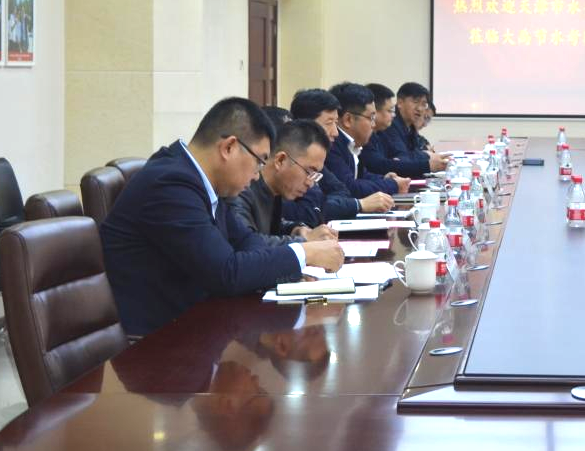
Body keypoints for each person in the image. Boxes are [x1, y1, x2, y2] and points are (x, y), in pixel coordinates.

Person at [100, 97, 345, 336]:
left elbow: (246, 241)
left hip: (194, 324)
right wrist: (305, 253)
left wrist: (292, 263)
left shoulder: (200, 181)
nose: (257, 175)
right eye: (259, 162)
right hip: (156, 341)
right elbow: (226, 272)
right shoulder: (171, 184)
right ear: (229, 147)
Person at [282, 88, 394, 224]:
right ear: (306, 125)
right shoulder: (297, 160)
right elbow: (309, 212)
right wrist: (358, 204)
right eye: (329, 123)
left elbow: (342, 191)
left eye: (336, 123)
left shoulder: (320, 158)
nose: (335, 132)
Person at [228, 119, 339, 247]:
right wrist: (304, 241)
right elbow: (247, 244)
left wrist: (297, 229)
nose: (310, 183)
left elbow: (273, 228)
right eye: (309, 172)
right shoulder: (241, 189)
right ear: (280, 160)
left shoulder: (273, 190)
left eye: (315, 175)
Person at [326, 82, 410, 196]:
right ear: (348, 120)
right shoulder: (332, 144)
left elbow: (361, 175)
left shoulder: (352, 144)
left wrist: (384, 178)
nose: (373, 124)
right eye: (371, 117)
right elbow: (350, 187)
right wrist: (393, 184)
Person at [360, 82, 448, 178]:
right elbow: (395, 160)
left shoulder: (410, 127)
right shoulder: (389, 126)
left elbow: (405, 158)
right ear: (400, 102)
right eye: (415, 102)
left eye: (424, 104)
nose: (420, 108)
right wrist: (426, 158)